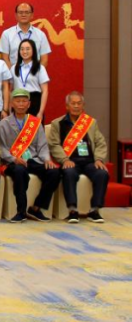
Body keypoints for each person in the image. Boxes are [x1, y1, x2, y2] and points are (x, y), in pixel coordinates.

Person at [0, 88, 61, 223]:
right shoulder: (4, 124)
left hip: (33, 160)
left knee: (54, 172)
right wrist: (13, 158)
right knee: (20, 171)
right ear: (12, 104)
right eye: (18, 101)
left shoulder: (35, 123)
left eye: (24, 101)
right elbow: (1, 148)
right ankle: (21, 211)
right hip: (13, 162)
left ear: (29, 104)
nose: (21, 104)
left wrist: (47, 159)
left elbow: (42, 145)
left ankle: (36, 208)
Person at [47, 91, 109, 223]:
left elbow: (100, 143)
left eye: (79, 103)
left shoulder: (90, 122)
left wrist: (99, 159)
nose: (76, 106)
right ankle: (72, 210)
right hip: (70, 161)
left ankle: (94, 210)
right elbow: (54, 145)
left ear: (83, 105)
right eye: (73, 103)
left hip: (89, 161)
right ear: (67, 106)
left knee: (102, 173)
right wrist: (64, 160)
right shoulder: (58, 123)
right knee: (69, 172)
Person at [0, 3, 52, 67]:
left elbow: (44, 59)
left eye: (27, 12)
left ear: (32, 15)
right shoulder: (7, 34)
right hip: (14, 72)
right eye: (20, 12)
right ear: (16, 15)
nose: (23, 15)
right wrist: (13, 72)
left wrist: (37, 72)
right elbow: (5, 58)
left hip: (35, 72)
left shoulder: (40, 34)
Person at [11, 39, 49, 117]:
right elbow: (10, 90)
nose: (24, 51)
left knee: (33, 124)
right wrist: (9, 110)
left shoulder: (40, 68)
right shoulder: (13, 68)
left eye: (28, 49)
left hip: (34, 102)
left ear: (33, 50)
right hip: (17, 102)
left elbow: (45, 91)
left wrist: (41, 112)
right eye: (22, 49)